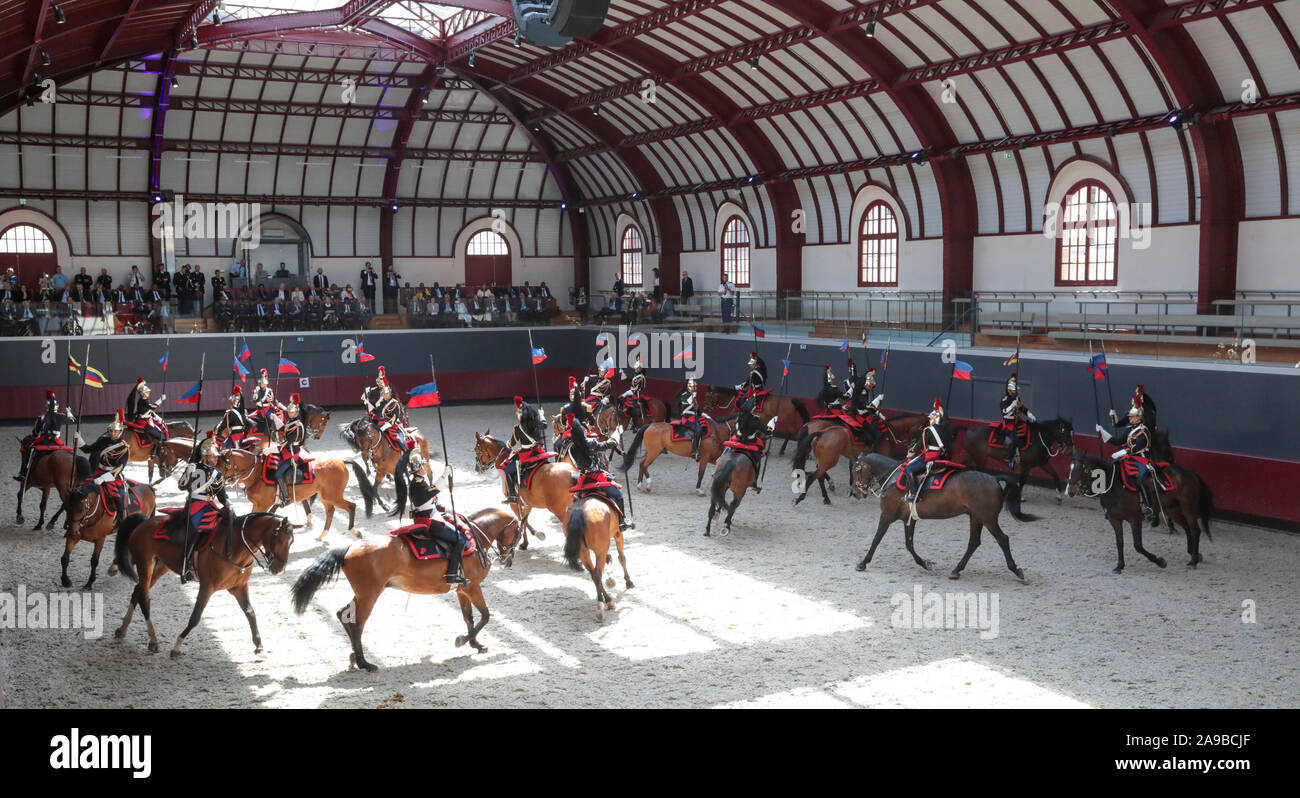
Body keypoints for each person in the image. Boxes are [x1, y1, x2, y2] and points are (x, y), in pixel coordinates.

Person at [394, 449, 469, 585]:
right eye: (424, 465)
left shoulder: (420, 481)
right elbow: (426, 496)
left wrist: (443, 508)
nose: (426, 467)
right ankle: (452, 574)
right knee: (460, 540)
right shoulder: (417, 484)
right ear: (420, 467)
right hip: (428, 520)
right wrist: (444, 476)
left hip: (432, 513)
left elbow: (429, 499)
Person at [1096, 394, 1161, 525]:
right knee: (1113, 468)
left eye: (1131, 416)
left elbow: (1139, 446)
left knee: (1141, 478)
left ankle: (1149, 507)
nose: (1129, 418)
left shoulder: (1143, 430)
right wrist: (1103, 432)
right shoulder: (1130, 429)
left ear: (1138, 418)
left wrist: (1122, 452)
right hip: (1129, 457)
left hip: (1142, 459)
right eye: (1130, 417)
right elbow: (1117, 441)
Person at [564, 410, 632, 532]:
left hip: (583, 478)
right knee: (618, 495)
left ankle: (569, 528)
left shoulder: (571, 449)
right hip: (597, 476)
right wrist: (616, 433)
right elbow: (608, 445)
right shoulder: (590, 443)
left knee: (574, 501)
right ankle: (622, 522)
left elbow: (576, 463)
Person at [177, 431, 229, 583]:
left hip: (210, 505)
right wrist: (188, 472)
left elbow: (222, 495)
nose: (216, 458)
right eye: (213, 456)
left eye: (216, 456)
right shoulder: (194, 467)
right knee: (192, 532)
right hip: (195, 504)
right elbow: (181, 486)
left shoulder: (217, 474)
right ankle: (184, 567)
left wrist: (228, 503)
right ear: (205, 456)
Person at [81, 410, 131, 532]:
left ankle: (123, 524)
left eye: (116, 431)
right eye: (111, 431)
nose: (113, 433)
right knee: (81, 489)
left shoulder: (124, 448)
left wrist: (103, 478)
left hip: (112, 476)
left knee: (119, 499)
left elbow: (118, 469)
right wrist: (79, 440)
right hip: (98, 472)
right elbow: (88, 449)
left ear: (120, 432)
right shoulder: (103, 441)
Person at [500, 396, 551, 508]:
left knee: (507, 469)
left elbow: (512, 443)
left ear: (520, 414)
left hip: (526, 454)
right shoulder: (536, 423)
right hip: (538, 451)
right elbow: (545, 425)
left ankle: (512, 496)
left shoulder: (517, 429)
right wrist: (542, 414)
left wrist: (508, 443)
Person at [15, 390, 76, 484]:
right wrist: (68, 412)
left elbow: (35, 433)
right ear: (57, 407)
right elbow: (72, 420)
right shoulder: (60, 416)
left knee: (27, 450)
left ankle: (24, 473)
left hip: (44, 442)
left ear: (46, 407)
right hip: (57, 442)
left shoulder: (41, 418)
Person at [902, 400, 949, 504]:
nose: (930, 421)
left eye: (931, 419)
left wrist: (912, 451)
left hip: (931, 457)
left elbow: (920, 445)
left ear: (935, 419)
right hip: (940, 456)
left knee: (908, 468)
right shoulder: (944, 429)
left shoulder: (929, 430)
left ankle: (914, 494)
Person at [274, 394, 308, 507]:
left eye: (292, 412)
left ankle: (287, 498)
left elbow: (288, 441)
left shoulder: (297, 425)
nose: (289, 414)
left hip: (292, 451)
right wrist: (276, 419)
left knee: (278, 473)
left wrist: (275, 448)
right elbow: (284, 428)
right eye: (289, 412)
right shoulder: (292, 421)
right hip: (288, 448)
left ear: (297, 412)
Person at [997, 373, 1036, 468]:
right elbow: (1004, 412)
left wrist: (1029, 414)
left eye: (1015, 390)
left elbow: (1022, 408)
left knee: (1029, 430)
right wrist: (1012, 405)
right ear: (1009, 390)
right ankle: (1009, 459)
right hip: (1008, 422)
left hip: (1017, 420)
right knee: (1014, 438)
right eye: (1013, 390)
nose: (1015, 392)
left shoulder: (1017, 398)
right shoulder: (1004, 399)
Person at [125, 378, 168, 460]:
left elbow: (149, 409)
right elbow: (153, 407)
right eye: (147, 392)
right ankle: (154, 453)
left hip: (145, 419)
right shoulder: (144, 401)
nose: (149, 393)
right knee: (161, 436)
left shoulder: (144, 400)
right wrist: (161, 400)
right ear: (143, 393)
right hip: (145, 423)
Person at [675, 376, 704, 461]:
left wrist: (703, 414)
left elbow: (696, 409)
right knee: (698, 430)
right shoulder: (684, 396)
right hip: (687, 418)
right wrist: (693, 397)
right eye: (692, 387)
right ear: (688, 386)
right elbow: (685, 407)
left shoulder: (692, 396)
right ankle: (694, 452)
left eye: (695, 387)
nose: (694, 388)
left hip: (694, 417)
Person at [214, 385, 248, 450]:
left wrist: (218, 433)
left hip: (234, 437)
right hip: (243, 436)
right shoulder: (244, 411)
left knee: (224, 451)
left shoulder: (230, 413)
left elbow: (223, 426)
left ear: (232, 402)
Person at [619, 355, 648, 427]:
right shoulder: (636, 375)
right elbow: (630, 379)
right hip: (631, 392)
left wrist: (626, 393)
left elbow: (636, 389)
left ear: (640, 369)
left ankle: (636, 424)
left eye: (637, 368)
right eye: (635, 368)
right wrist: (623, 375)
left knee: (634, 408)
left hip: (636, 393)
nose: (635, 369)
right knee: (621, 399)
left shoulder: (641, 377)